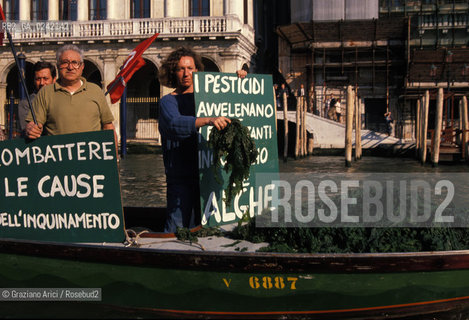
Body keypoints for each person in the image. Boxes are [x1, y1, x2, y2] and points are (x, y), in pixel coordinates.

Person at [158, 47, 247, 233]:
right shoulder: (168, 102)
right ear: (173, 72)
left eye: (190, 68)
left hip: (208, 172)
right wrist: (208, 120)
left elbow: (234, 103)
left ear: (197, 70)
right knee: (176, 226)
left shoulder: (209, 97)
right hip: (180, 173)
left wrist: (240, 80)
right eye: (180, 69)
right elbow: (174, 123)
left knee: (208, 224)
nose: (186, 73)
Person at [25, 45, 115, 140]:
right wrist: (31, 129)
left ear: (82, 66)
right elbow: (33, 123)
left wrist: (115, 153)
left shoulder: (95, 91)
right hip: (59, 153)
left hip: (91, 153)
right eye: (65, 62)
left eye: (75, 63)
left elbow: (108, 127)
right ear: (58, 65)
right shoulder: (45, 93)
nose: (70, 67)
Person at [17, 61, 57, 132]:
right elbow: (26, 129)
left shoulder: (61, 96)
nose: (42, 83)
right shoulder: (26, 103)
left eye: (45, 79)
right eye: (38, 79)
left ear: (54, 79)